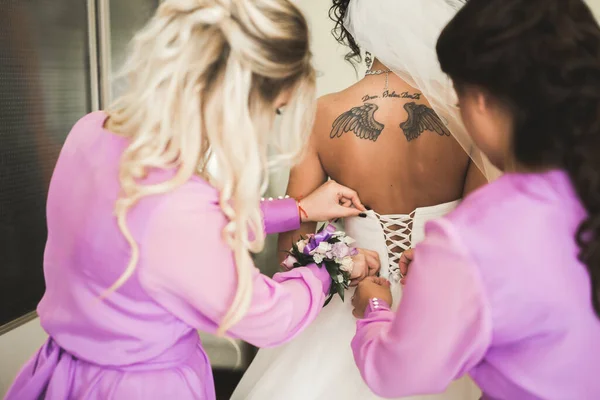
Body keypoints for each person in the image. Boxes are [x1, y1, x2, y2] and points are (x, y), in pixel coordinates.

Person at [3, 1, 374, 399]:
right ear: (243, 101)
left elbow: (158, 240)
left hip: (60, 374)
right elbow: (269, 316)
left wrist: (298, 210)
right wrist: (334, 268)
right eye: (276, 109)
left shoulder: (92, 131)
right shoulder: (180, 208)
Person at [232, 1, 491, 399]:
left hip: (354, 303)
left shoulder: (322, 114)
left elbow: (292, 254)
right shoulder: (470, 114)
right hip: (445, 315)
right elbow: (484, 235)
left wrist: (344, 261)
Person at [351, 0, 600, 398]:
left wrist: (375, 309)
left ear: (480, 100)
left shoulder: (474, 238)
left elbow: (399, 376)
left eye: (457, 92)